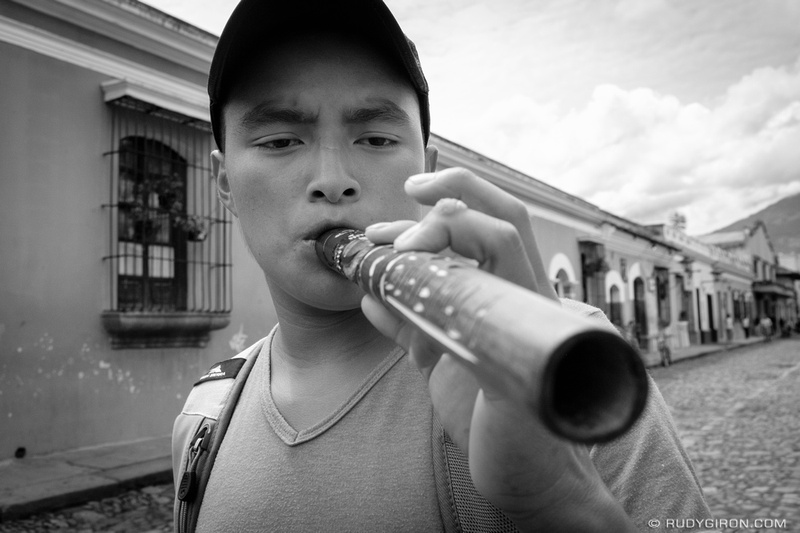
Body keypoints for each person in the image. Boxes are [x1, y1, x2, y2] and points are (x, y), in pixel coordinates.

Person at [172, 1, 713, 531]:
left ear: (426, 172)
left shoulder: (569, 361)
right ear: (225, 185)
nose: (332, 179)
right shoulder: (206, 413)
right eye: (280, 141)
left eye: (377, 138)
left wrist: (562, 498)